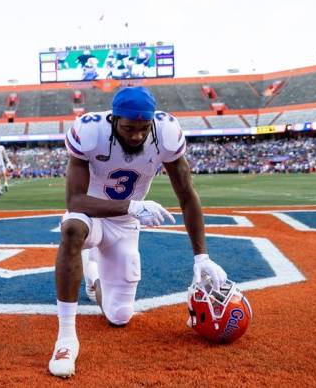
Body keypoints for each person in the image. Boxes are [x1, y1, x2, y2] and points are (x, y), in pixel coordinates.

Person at [48, 86, 228, 378]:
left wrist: (202, 258)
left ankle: (93, 277)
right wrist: (131, 206)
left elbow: (187, 195)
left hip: (125, 226)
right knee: (71, 229)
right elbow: (75, 201)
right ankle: (66, 338)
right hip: (91, 214)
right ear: (114, 120)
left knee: (119, 317)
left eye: (143, 129)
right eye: (129, 128)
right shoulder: (91, 131)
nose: (136, 136)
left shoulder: (167, 132)